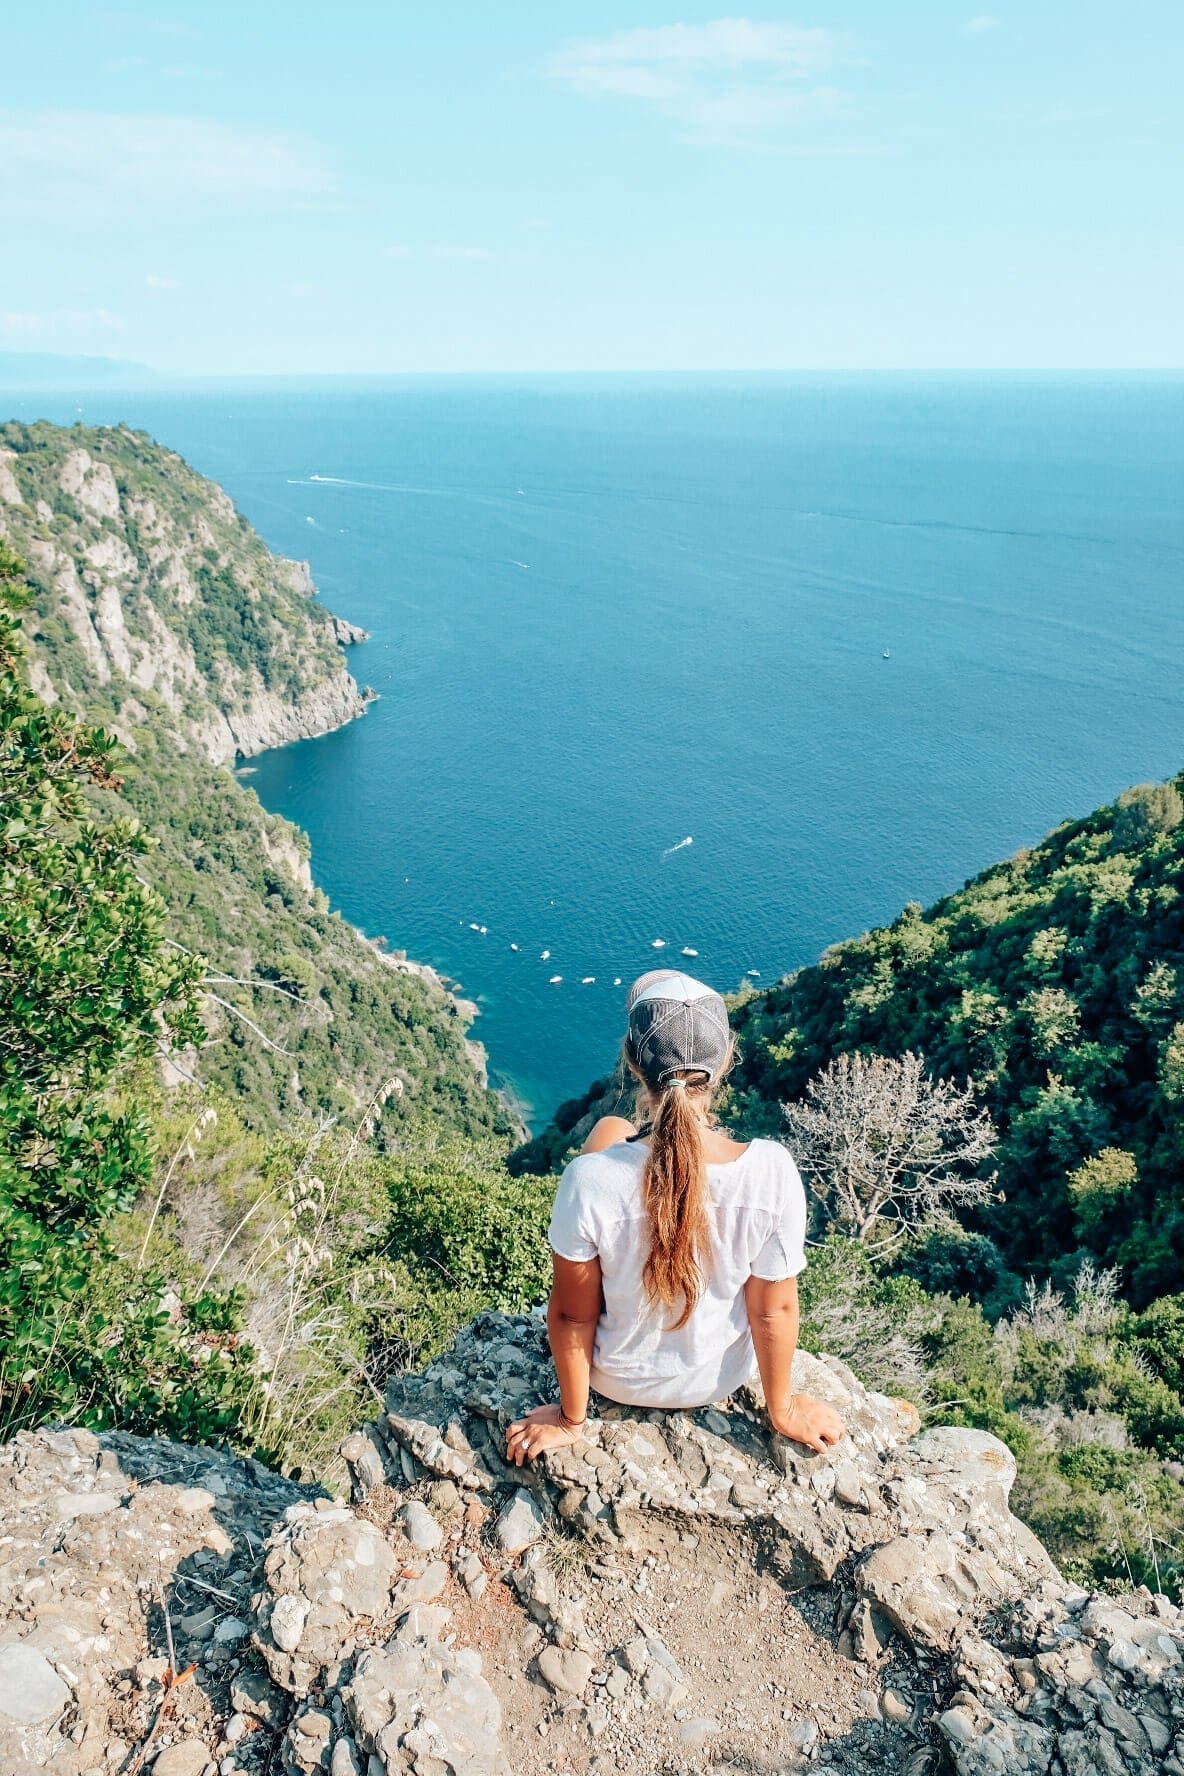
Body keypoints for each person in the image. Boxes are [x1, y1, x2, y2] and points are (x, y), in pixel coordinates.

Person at [506, 970, 845, 1466]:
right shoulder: (771, 1171)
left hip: (615, 1379)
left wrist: (570, 1420)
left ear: (631, 1062)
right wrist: (784, 1408)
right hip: (715, 1380)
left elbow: (570, 1315)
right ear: (726, 1058)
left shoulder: (589, 1180)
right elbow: (773, 1312)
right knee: (613, 1131)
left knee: (609, 1130)